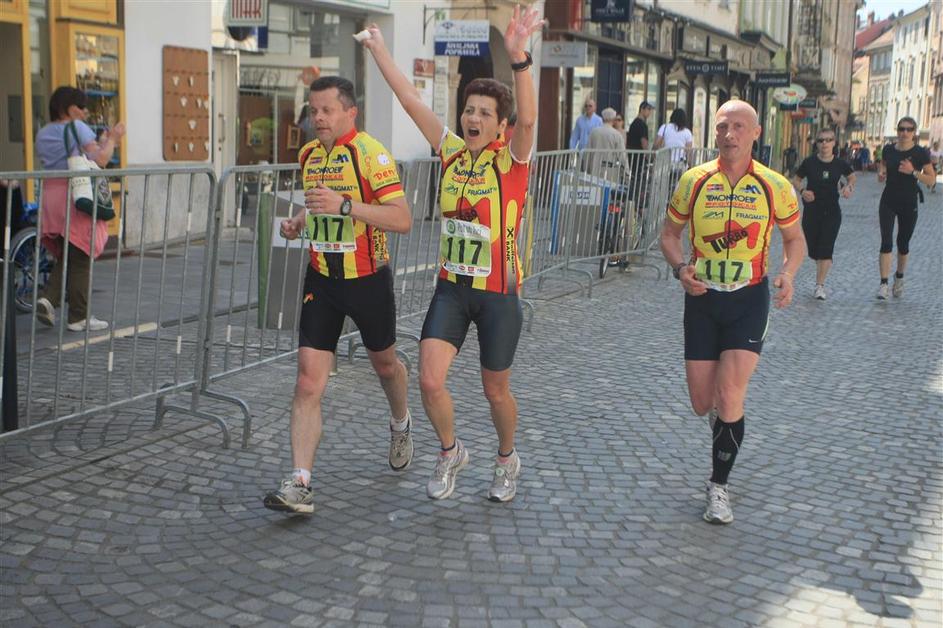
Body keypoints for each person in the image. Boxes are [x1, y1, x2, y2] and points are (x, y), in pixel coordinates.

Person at [361, 5, 544, 502]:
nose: (473, 118)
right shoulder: (451, 152)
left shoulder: (512, 163)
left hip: (499, 293)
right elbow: (408, 98)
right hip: (453, 288)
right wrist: (379, 48)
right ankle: (450, 451)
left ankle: (506, 458)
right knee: (428, 379)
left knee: (495, 390)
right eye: (469, 110)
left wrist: (519, 57)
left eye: (484, 113)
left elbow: (529, 118)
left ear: (500, 126)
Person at [262, 76, 413, 515]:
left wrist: (345, 205)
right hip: (322, 279)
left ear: (351, 111)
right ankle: (300, 482)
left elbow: (402, 219)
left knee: (385, 365)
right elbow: (318, 204)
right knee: (308, 381)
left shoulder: (370, 154)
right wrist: (299, 221)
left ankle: (400, 421)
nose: (318, 118)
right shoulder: (309, 154)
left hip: (367, 280)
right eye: (313, 110)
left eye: (327, 110)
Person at [660, 100, 806, 525]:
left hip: (749, 299)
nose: (730, 134)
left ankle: (718, 486)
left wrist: (789, 273)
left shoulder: (774, 185)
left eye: (739, 126)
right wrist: (680, 269)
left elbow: (795, 239)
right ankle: (724, 425)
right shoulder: (694, 180)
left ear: (756, 133)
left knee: (729, 395)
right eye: (723, 126)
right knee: (701, 402)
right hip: (702, 299)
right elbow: (669, 235)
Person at [33, 86, 125, 332]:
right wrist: (113, 139)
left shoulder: (43, 133)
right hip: (75, 196)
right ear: (68, 107)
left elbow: (72, 156)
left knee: (68, 255)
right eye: (81, 106)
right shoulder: (77, 127)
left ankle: (52, 301)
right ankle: (77, 316)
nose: (85, 112)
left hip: (51, 197)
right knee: (82, 256)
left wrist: (101, 142)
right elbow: (100, 160)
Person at [791, 128, 856, 301]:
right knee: (814, 250)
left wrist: (849, 187)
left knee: (826, 249)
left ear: (834, 143)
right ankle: (820, 266)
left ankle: (819, 286)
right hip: (812, 211)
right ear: (817, 144)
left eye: (828, 140)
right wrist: (802, 191)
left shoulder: (840, 163)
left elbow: (851, 176)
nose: (825, 144)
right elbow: (796, 180)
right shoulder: (809, 162)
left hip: (832, 211)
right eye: (821, 140)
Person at [875, 116, 936, 299]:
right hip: (888, 200)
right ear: (897, 131)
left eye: (909, 129)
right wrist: (881, 173)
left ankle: (899, 277)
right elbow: (883, 166)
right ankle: (884, 284)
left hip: (909, 202)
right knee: (886, 242)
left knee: (903, 243)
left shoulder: (920, 153)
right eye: (901, 129)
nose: (905, 133)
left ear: (914, 133)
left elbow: (931, 180)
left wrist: (914, 172)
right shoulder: (888, 150)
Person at [653, 108, 694, 192]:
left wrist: (653, 157)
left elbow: (656, 145)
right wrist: (690, 165)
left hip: (665, 163)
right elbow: (689, 152)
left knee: (662, 188)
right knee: (679, 188)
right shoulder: (687, 132)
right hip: (680, 164)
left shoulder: (664, 127)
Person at [587, 107, 626, 181]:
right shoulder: (617, 135)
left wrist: (586, 169)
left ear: (602, 118)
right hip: (610, 172)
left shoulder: (594, 132)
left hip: (594, 170)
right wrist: (626, 174)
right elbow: (622, 156)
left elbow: (587, 153)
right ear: (613, 119)